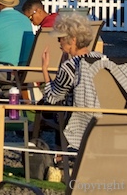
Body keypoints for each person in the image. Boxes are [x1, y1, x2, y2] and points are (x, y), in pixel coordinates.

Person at [38, 13, 106, 149]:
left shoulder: (70, 66)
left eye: (61, 38)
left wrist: (45, 69)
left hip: (77, 119)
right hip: (102, 115)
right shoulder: (102, 59)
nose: (59, 42)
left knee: (50, 111)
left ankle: (59, 155)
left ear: (73, 40)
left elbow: (52, 97)